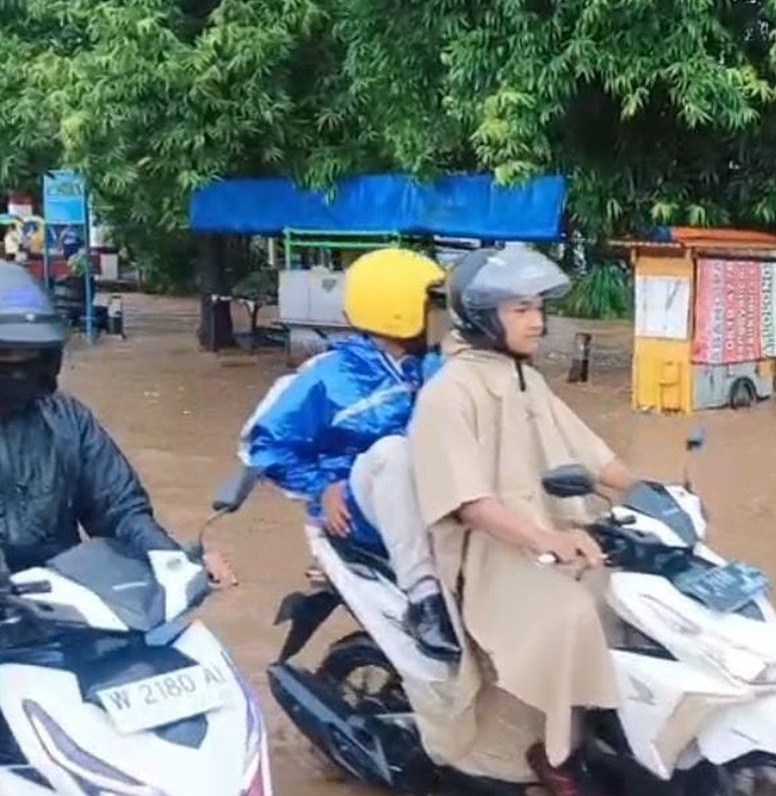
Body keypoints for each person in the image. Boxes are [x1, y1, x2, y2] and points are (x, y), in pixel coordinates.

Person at [407, 245, 638, 795]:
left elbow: (594, 458)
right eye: (520, 310)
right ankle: (557, 751)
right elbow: (468, 503)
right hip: (488, 554)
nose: (537, 321)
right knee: (575, 612)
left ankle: (608, 727)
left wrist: (660, 496)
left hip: (553, 533)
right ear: (485, 317)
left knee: (629, 594)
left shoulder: (523, 378)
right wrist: (545, 539)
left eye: (538, 307)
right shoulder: (448, 393)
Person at [239, 247, 459, 662]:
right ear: (398, 311)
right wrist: (322, 487)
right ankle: (424, 598)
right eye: (434, 305)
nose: (443, 315)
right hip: (360, 506)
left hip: (433, 500)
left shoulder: (437, 367)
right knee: (393, 452)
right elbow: (263, 445)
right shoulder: (329, 377)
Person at [0, 261, 235, 581]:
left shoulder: (67, 420)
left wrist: (171, 561)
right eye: (5, 354)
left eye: (27, 355)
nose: (16, 368)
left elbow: (120, 510)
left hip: (59, 608)